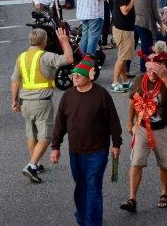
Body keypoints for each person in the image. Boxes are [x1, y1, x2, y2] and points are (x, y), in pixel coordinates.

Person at [50, 57, 123, 226]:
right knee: (81, 186)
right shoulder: (68, 96)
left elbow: (113, 120)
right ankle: (82, 218)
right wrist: (55, 147)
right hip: (75, 152)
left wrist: (116, 144)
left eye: (79, 75)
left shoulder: (101, 95)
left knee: (93, 186)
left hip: (97, 151)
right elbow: (60, 123)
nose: (74, 77)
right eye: (74, 74)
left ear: (89, 76)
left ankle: (93, 222)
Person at [120, 42, 167, 213]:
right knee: (136, 162)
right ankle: (132, 199)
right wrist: (130, 122)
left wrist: (165, 78)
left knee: (166, 163)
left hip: (163, 129)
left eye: (155, 70)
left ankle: (165, 193)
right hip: (142, 128)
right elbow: (133, 100)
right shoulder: (140, 79)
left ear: (163, 68)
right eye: (149, 70)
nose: (151, 74)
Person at [11, 26, 73, 183]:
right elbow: (68, 59)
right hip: (41, 103)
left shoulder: (21, 57)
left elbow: (15, 81)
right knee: (46, 136)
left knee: (31, 135)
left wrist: (14, 101)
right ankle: (31, 166)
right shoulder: (45, 56)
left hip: (25, 103)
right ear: (44, 41)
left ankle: (36, 163)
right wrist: (64, 41)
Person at [111, 0, 141, 92]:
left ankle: (125, 81)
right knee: (122, 58)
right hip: (123, 30)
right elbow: (124, 11)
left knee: (123, 56)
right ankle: (115, 83)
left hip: (123, 29)